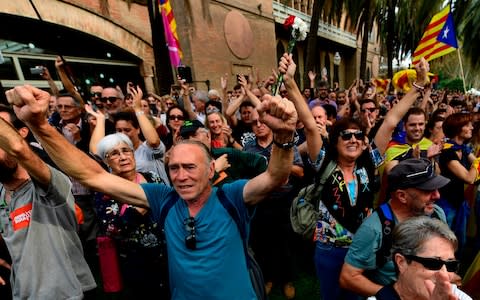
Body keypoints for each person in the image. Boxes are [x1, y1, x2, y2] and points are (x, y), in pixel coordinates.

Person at [6, 84, 298, 299]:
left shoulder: (230, 196)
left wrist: (284, 136)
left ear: (211, 171)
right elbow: (91, 175)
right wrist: (39, 124)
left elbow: (274, 177)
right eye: (174, 168)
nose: (181, 176)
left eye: (190, 167)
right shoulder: (164, 198)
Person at [279, 54, 431, 300]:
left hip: (362, 250)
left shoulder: (369, 163)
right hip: (329, 250)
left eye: (359, 136)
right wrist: (290, 82)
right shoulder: (324, 162)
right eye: (346, 135)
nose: (353, 139)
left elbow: (391, 121)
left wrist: (418, 87)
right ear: (335, 140)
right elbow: (308, 123)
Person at [0, 103, 96, 299]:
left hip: (68, 295)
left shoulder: (49, 184)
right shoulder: (1, 192)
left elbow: (20, 151)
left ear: (21, 134)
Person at [340, 158, 449, 297]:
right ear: (402, 196)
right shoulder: (374, 229)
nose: (437, 195)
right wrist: (390, 295)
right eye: (428, 190)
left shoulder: (436, 214)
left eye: (436, 188)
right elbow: (348, 277)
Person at [94, 133, 165, 298]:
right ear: (106, 161)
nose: (122, 157)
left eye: (126, 151)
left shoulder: (151, 177)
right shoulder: (105, 190)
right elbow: (111, 229)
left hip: (166, 255)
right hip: (134, 263)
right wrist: (141, 208)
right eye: (114, 154)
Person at [373, 217, 471, 300]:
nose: (444, 275)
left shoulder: (456, 295)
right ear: (401, 262)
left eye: (451, 265)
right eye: (433, 263)